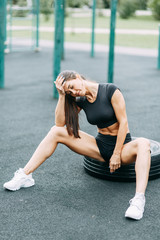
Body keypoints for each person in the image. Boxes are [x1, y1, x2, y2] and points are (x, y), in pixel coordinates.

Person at [3, 70, 151, 220]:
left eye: (73, 86)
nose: (74, 92)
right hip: (100, 147)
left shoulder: (110, 90)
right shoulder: (81, 100)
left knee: (144, 144)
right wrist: (62, 96)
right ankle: (25, 175)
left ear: (78, 77)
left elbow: (124, 122)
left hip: (123, 147)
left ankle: (138, 201)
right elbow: (60, 124)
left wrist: (117, 153)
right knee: (56, 131)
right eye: (70, 92)